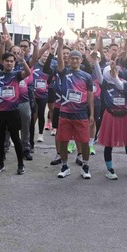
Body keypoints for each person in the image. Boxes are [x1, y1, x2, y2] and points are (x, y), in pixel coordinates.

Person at [0, 43, 31, 175]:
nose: (9, 63)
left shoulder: (17, 75)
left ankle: (20, 164)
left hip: (13, 112)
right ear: (3, 62)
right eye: (7, 61)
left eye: (11, 61)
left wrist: (23, 61)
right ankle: (0, 163)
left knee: (16, 138)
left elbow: (28, 72)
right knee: (0, 139)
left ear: (14, 63)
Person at [55, 31, 95, 179]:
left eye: (77, 58)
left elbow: (90, 96)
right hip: (65, 113)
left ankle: (85, 166)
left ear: (81, 60)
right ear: (69, 60)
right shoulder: (64, 72)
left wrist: (91, 113)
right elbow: (60, 61)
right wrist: (60, 44)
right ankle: (65, 166)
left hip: (81, 114)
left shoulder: (87, 76)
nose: (74, 60)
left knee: (84, 142)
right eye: (72, 58)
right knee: (63, 141)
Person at [97, 61, 127, 180]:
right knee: (109, 143)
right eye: (110, 71)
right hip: (110, 115)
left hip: (124, 115)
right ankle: (109, 169)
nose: (113, 72)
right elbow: (98, 73)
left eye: (115, 70)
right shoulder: (105, 84)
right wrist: (96, 61)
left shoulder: (124, 84)